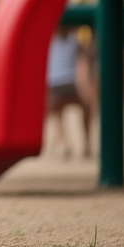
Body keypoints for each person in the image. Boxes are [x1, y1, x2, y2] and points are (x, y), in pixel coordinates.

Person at [46, 27, 93, 159]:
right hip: (61, 85)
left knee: (56, 110)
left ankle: (69, 142)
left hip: (66, 84)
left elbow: (82, 66)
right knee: (55, 110)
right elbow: (83, 66)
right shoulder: (71, 40)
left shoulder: (74, 41)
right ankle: (65, 142)